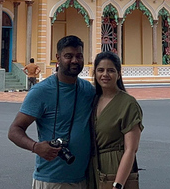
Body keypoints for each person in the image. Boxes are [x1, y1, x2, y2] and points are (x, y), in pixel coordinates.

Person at [8, 36, 95, 189]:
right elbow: (14, 130)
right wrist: (35, 147)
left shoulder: (88, 90)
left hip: (83, 178)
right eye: (68, 56)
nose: (75, 60)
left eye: (79, 56)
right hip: (51, 180)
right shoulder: (41, 91)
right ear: (58, 58)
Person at [88, 51, 143, 189]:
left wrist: (118, 184)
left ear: (118, 74)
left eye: (110, 70)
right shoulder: (93, 100)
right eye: (100, 70)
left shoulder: (127, 104)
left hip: (115, 169)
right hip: (93, 168)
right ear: (95, 73)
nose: (105, 75)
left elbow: (130, 149)